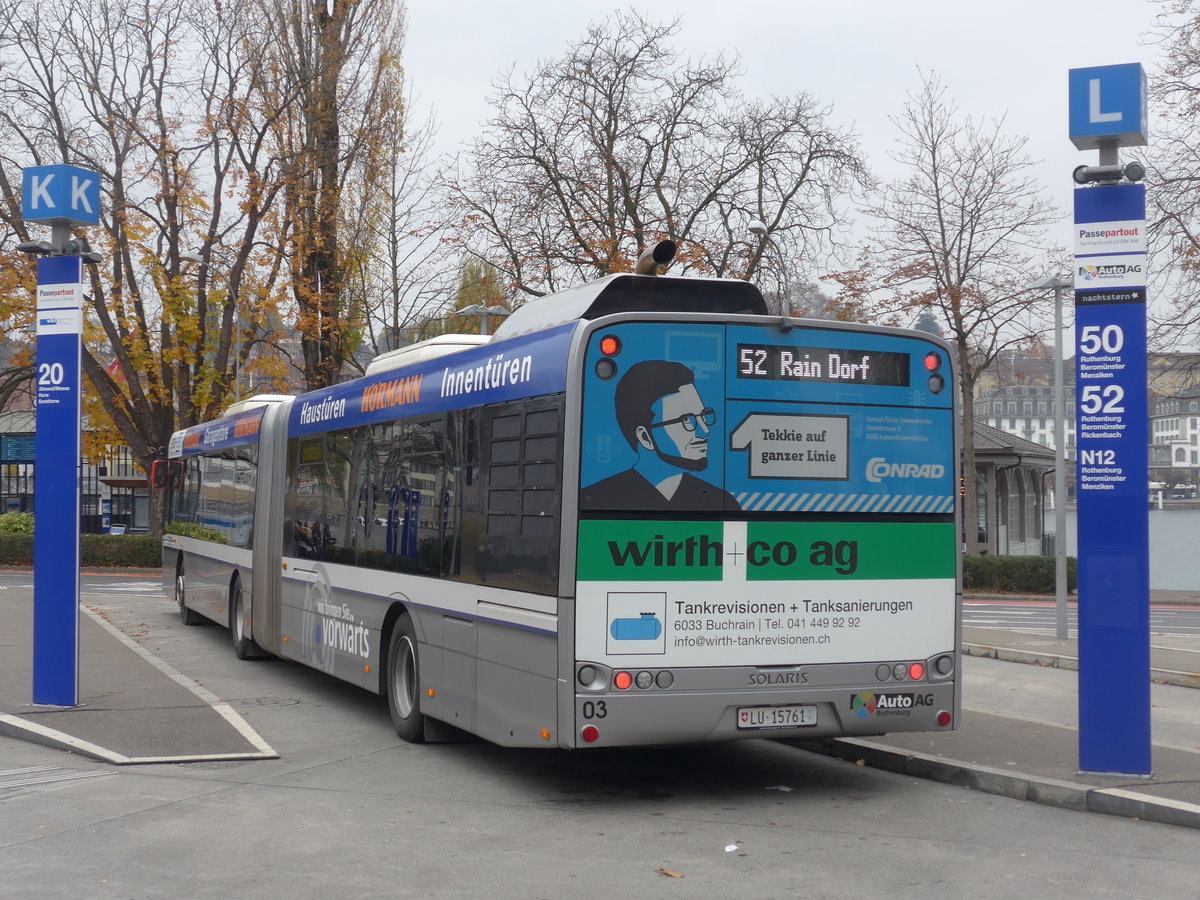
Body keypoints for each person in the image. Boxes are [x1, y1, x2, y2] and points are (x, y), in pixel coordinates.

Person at [582, 360, 738, 512]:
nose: (704, 431)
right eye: (686, 420)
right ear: (645, 437)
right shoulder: (598, 499)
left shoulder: (723, 501)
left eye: (703, 416)